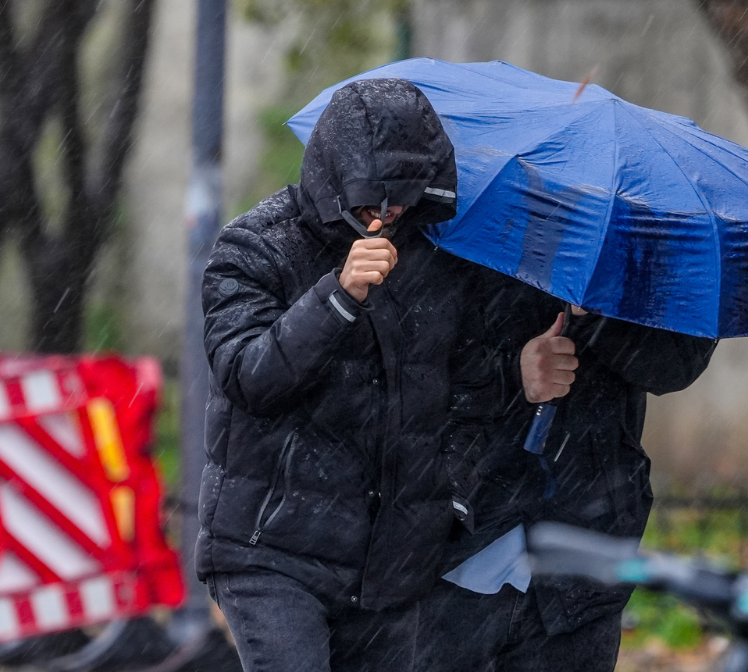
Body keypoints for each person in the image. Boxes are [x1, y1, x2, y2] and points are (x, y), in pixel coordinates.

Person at [196, 78, 487, 672]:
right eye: (370, 201)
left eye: (403, 201)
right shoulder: (255, 248)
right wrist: (338, 296)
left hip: (389, 563)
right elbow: (249, 376)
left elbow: (463, 391)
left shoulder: (436, 263)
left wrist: (449, 497)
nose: (387, 216)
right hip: (270, 549)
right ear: (332, 178)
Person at [417, 278, 717, 672]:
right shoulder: (465, 227)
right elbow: (411, 357)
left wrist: (603, 311)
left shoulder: (647, 235)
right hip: (463, 539)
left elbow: (676, 363)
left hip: (585, 551)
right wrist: (510, 375)